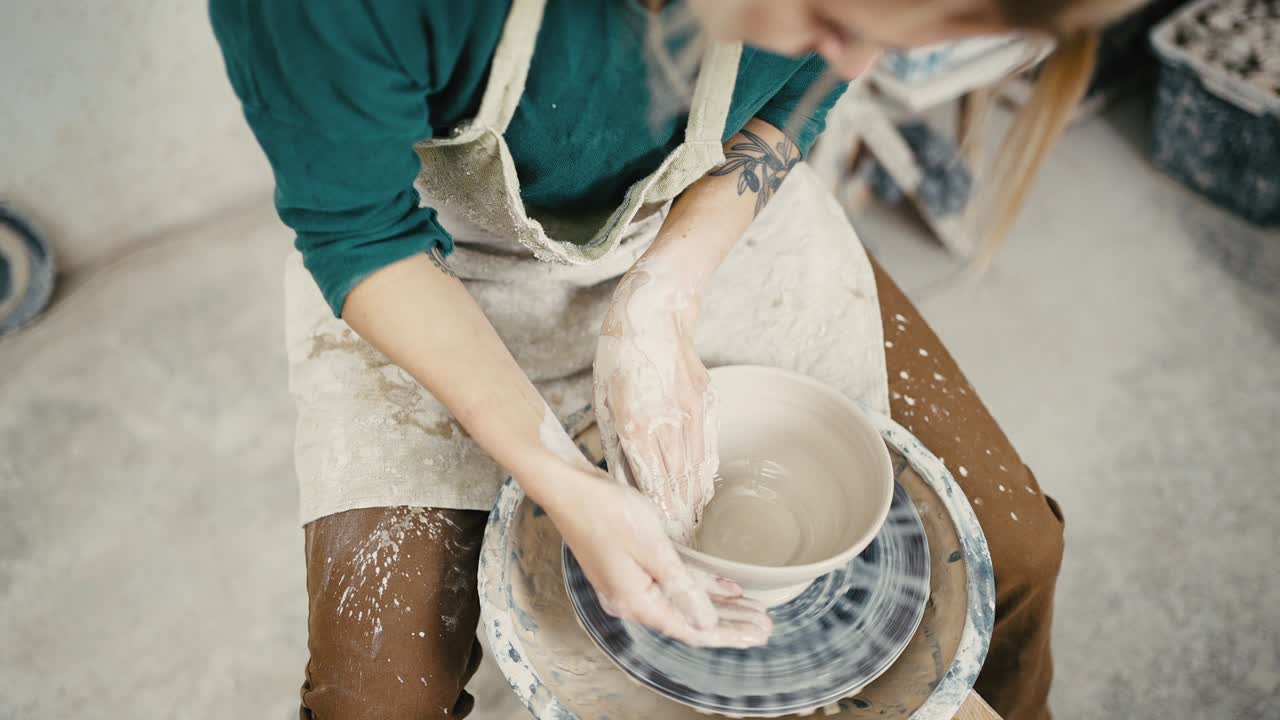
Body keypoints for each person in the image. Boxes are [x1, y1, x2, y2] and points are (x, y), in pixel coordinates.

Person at [210, 0, 1144, 717]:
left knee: (1018, 553)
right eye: (831, 19)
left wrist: (665, 291)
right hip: (432, 262)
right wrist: (556, 473)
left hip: (699, 216)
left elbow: (804, 93)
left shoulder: (850, 32)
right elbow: (360, 236)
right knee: (373, 698)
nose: (856, 61)